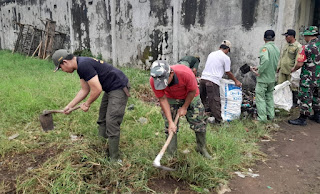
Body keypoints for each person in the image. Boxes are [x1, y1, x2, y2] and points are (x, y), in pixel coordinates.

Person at [52, 49, 130, 161]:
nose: (63, 70)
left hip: (118, 87)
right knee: (102, 119)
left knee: (112, 121)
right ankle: (101, 148)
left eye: (60, 68)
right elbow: (85, 89)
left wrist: (87, 104)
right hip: (110, 88)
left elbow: (97, 89)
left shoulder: (83, 65)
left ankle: (114, 159)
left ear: (65, 62)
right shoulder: (80, 66)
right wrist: (69, 106)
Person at [149, 60, 212, 159]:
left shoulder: (186, 74)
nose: (162, 85)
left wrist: (184, 107)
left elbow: (192, 91)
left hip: (190, 96)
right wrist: (170, 122)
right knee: (170, 127)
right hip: (170, 99)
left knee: (199, 122)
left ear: (171, 74)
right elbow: (162, 99)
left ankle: (201, 148)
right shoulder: (154, 80)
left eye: (164, 81)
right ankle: (171, 154)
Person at [199, 40, 242, 124]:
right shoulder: (226, 58)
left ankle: (200, 117)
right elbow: (227, 72)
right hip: (212, 81)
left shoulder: (211, 54)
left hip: (203, 79)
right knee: (215, 101)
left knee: (202, 100)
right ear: (228, 50)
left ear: (220, 47)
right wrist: (236, 81)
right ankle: (218, 121)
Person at [288, 26, 320, 126]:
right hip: (319, 77)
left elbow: (300, 63)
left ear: (308, 35)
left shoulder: (306, 47)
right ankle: (317, 115)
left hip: (308, 77)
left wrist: (293, 70)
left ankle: (302, 118)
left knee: (305, 96)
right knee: (317, 96)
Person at [251, 30, 280, 122]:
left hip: (263, 78)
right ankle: (271, 116)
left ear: (264, 38)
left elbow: (266, 60)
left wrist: (259, 71)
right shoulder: (276, 48)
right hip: (271, 77)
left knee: (260, 98)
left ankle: (262, 118)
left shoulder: (265, 48)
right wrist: (259, 67)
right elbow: (271, 62)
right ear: (274, 38)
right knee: (269, 97)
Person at [277, 29, 302, 107]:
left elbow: (297, 59)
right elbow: (282, 57)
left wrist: (294, 70)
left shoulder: (298, 46)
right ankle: (281, 100)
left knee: (292, 87)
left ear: (291, 36)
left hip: (291, 71)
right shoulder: (286, 45)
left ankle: (294, 102)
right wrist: (279, 66)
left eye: (287, 36)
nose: (285, 38)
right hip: (283, 69)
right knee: (280, 85)